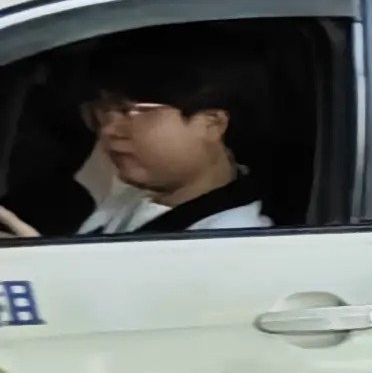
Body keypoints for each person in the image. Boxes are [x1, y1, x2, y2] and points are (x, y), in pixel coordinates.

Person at [0, 51, 266, 239]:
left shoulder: (232, 241)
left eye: (130, 111)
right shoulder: (134, 194)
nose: (108, 130)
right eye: (103, 112)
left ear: (211, 123)